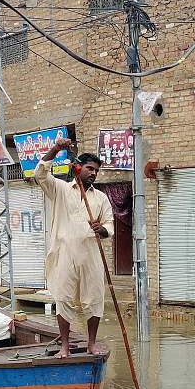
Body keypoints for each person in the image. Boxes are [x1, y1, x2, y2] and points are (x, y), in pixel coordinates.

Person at [35, 137, 114, 357]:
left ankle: (91, 344)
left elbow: (110, 225)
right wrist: (56, 149)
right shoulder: (60, 189)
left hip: (90, 256)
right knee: (63, 299)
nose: (94, 173)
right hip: (64, 254)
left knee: (95, 300)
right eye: (89, 168)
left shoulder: (101, 198)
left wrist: (102, 230)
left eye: (96, 171)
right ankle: (64, 347)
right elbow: (40, 174)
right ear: (78, 168)